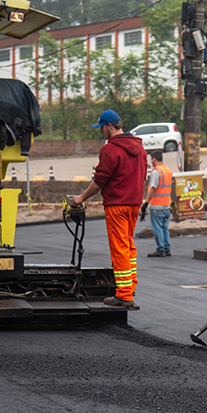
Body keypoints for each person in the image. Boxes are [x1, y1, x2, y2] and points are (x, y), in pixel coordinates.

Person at [71, 110, 147, 309]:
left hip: (117, 205)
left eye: (102, 128)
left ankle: (123, 295)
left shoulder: (110, 149)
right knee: (129, 247)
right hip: (134, 204)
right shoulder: (140, 148)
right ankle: (129, 288)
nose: (101, 132)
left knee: (120, 249)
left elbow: (100, 181)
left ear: (109, 126)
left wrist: (81, 198)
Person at [141, 150, 173, 257]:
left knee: (157, 228)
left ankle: (161, 249)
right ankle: (167, 248)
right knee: (164, 227)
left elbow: (153, 188)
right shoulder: (168, 170)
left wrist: (146, 202)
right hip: (166, 205)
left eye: (151, 159)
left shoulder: (156, 172)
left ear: (154, 159)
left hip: (157, 205)